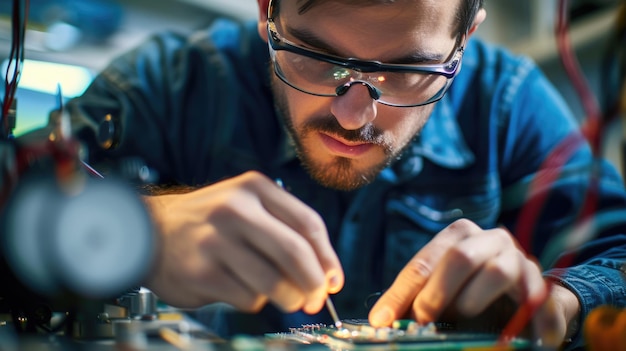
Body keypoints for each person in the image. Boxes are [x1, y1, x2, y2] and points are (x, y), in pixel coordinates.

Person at [18, 0, 626, 349]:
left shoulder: (508, 103)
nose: (353, 114)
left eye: (408, 70)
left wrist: (563, 302)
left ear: (464, 38)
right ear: (266, 11)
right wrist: (134, 230)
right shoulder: (169, 87)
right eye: (316, 57)